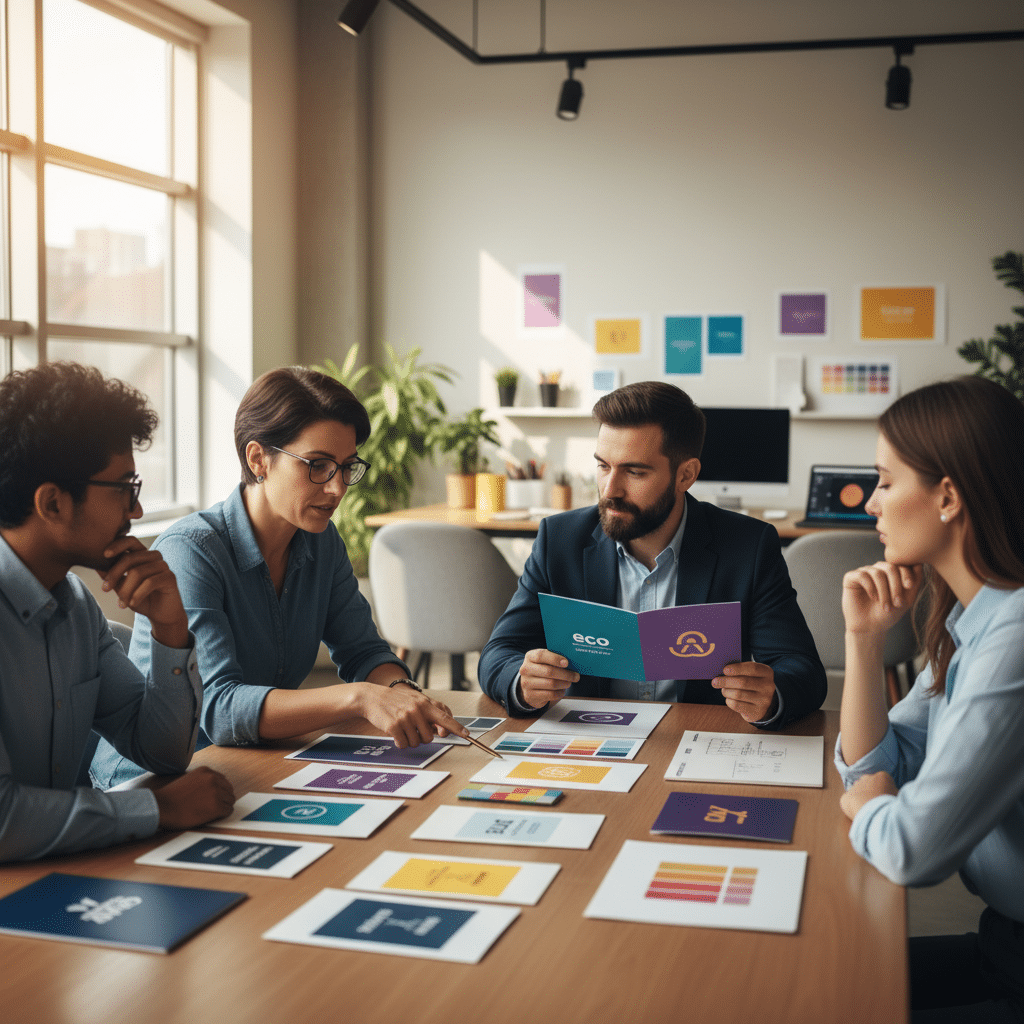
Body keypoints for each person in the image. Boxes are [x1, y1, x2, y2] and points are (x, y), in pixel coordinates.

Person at [92, 366, 469, 790]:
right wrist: (363, 697)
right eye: (318, 466)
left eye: (346, 467)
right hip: (150, 782)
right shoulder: (191, 551)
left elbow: (362, 650)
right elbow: (218, 707)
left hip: (245, 765)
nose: (338, 488)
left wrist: (402, 692)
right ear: (258, 460)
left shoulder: (321, 542)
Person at [835, 376, 1024, 1022]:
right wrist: (863, 641)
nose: (871, 506)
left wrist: (872, 808)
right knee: (822, 982)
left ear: (947, 496)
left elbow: (914, 849)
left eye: (886, 482)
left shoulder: (1016, 637)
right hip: (1003, 943)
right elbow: (869, 768)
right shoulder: (970, 621)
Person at [479, 381, 826, 728]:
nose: (610, 490)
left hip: (694, 736)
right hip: (590, 735)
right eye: (603, 466)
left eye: (635, 472)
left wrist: (770, 694)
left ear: (685, 475)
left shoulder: (748, 546)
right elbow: (498, 653)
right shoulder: (559, 540)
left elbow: (802, 670)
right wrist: (522, 682)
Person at [0, 362, 234, 863]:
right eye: (124, 488)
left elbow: (162, 752)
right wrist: (153, 808)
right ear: (52, 503)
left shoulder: (76, 606)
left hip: (45, 883)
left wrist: (171, 629)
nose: (137, 512)